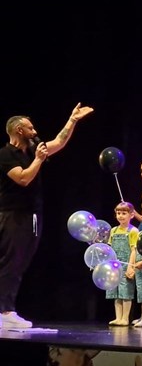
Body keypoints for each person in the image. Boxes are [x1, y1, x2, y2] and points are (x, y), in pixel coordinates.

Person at [0, 103, 93, 329]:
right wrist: (39, 160)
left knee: (21, 262)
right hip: (14, 214)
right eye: (30, 128)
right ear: (19, 131)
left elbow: (59, 142)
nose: (35, 131)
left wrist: (73, 120)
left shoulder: (33, 149)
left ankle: (7, 309)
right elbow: (23, 179)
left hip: (32, 213)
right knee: (11, 262)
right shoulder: (6, 154)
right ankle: (4, 311)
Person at [106, 201, 138, 326]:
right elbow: (109, 248)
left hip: (126, 264)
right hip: (114, 264)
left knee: (126, 292)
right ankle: (118, 317)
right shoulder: (113, 231)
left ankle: (125, 318)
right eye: (118, 213)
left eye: (124, 213)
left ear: (131, 215)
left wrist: (131, 266)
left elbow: (133, 250)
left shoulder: (133, 231)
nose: (120, 216)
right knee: (116, 293)